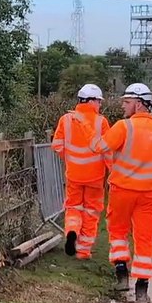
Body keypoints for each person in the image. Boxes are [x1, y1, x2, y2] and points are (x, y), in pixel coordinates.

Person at [94, 83, 152, 303]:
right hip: (148, 194)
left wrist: (94, 133)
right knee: (144, 239)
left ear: (139, 104)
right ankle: (142, 290)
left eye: (126, 102)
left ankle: (121, 276)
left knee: (118, 232)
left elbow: (100, 147)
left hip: (122, 190)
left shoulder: (123, 127)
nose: (122, 106)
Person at [50, 84, 111, 260]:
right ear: (91, 101)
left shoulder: (66, 119)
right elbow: (108, 152)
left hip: (74, 175)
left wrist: (70, 159)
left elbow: (56, 145)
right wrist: (111, 172)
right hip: (95, 177)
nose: (100, 105)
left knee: (73, 208)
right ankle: (83, 251)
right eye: (99, 101)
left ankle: (71, 232)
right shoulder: (101, 122)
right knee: (91, 212)